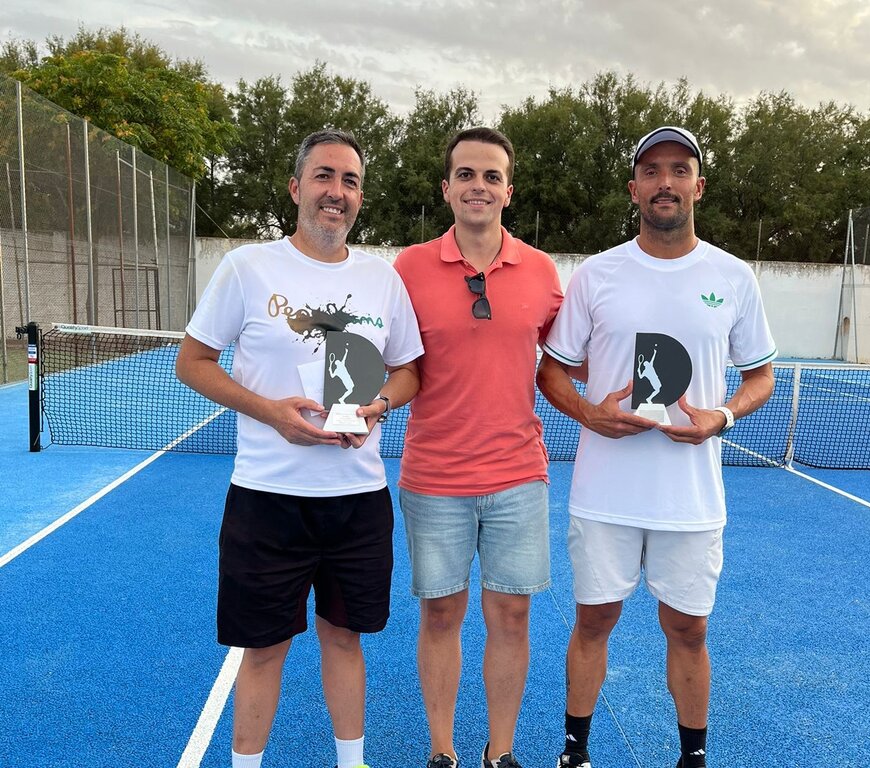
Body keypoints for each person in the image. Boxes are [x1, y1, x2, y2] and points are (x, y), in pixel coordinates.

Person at [176, 129, 423, 768]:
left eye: (350, 181)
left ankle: (352, 762)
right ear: (295, 188)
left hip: (358, 501)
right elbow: (192, 362)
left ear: (360, 197)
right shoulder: (247, 267)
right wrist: (271, 414)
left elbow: (408, 371)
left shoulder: (382, 279)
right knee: (263, 650)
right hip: (267, 500)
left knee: (345, 640)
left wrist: (380, 406)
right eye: (324, 176)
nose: (336, 192)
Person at [536, 126, 777, 768]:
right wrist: (590, 414)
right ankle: (574, 752)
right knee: (593, 622)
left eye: (679, 170)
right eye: (651, 171)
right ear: (633, 188)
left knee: (689, 630)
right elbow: (552, 370)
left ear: (699, 186)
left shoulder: (733, 276)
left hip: (690, 498)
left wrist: (721, 416)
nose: (664, 182)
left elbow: (761, 377)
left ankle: (692, 758)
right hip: (604, 495)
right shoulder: (596, 275)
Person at [392, 127, 563, 768]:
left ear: (508, 192)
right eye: (466, 174)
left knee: (512, 616)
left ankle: (501, 752)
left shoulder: (542, 272)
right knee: (441, 615)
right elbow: (390, 360)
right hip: (433, 477)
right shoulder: (408, 269)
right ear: (446, 188)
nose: (478, 186)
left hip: (519, 476)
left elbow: (570, 357)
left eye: (492, 176)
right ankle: (442, 752)